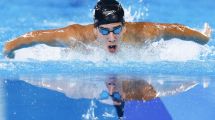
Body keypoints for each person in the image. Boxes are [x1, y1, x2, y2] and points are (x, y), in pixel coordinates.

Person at [3, 0, 211, 58]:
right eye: (104, 31)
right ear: (95, 29)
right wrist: (10, 48)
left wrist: (203, 39)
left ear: (124, 26)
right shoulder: (75, 35)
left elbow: (176, 30)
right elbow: (36, 37)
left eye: (116, 30)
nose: (111, 37)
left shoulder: (144, 32)